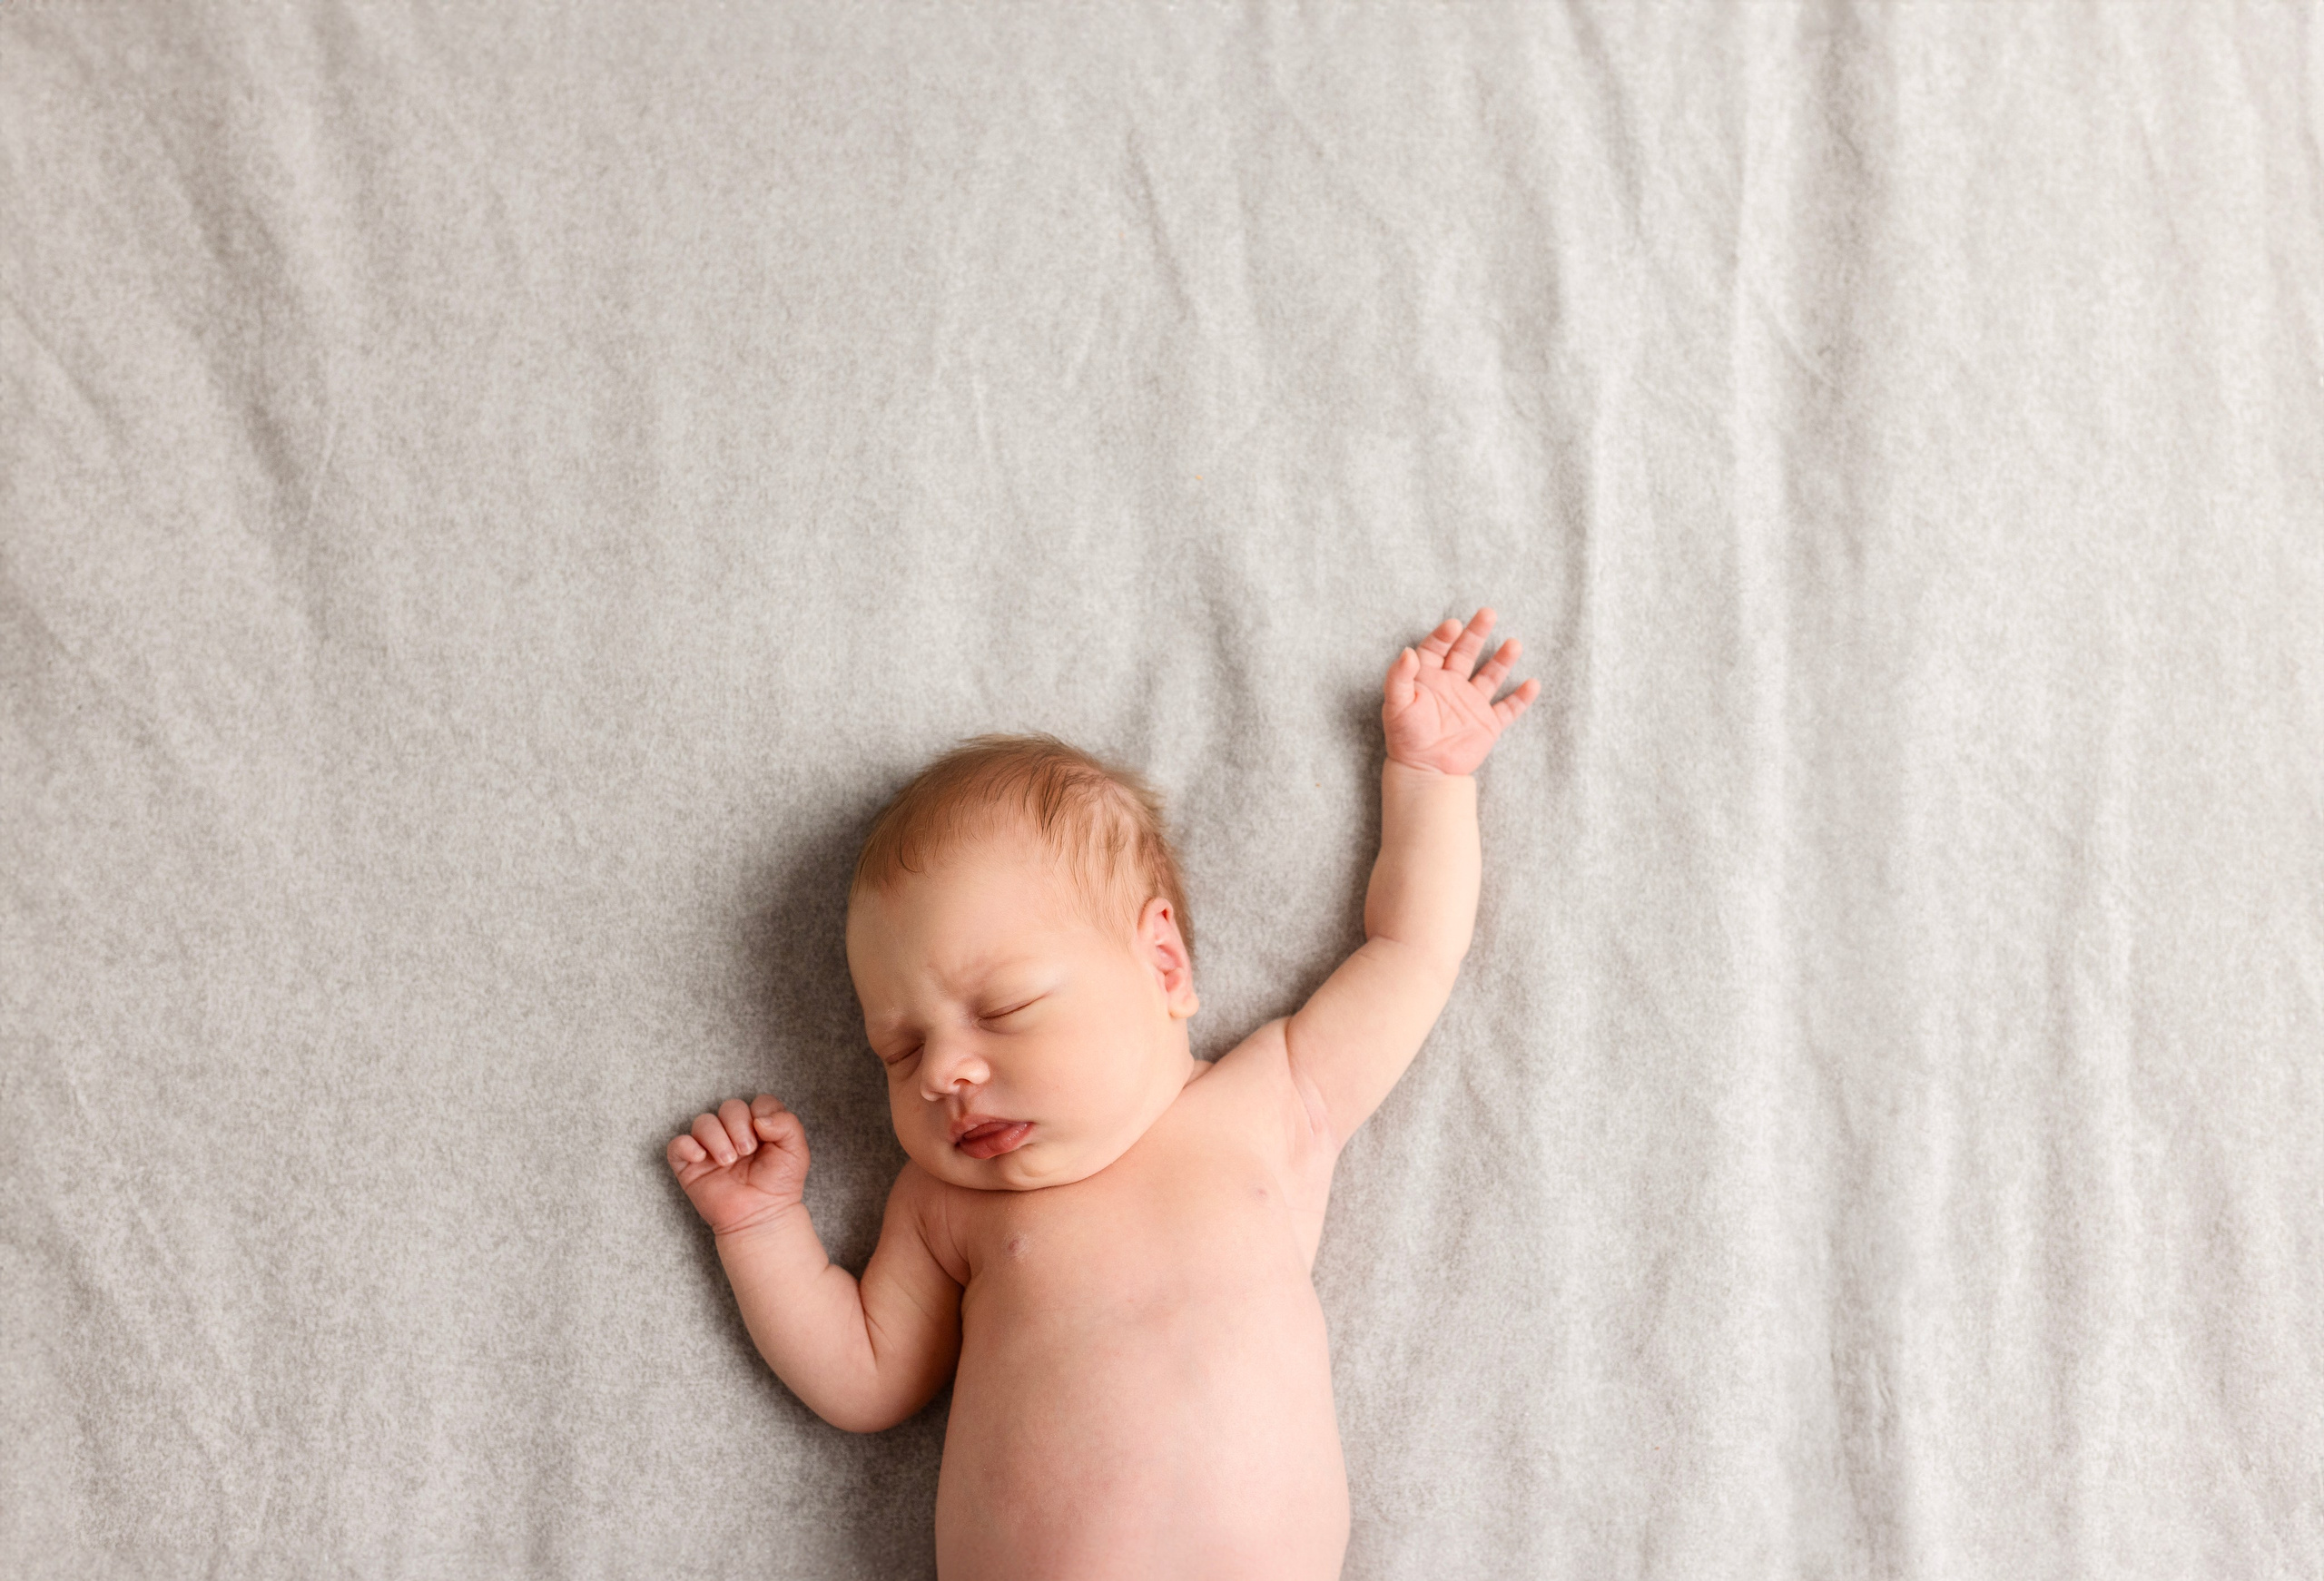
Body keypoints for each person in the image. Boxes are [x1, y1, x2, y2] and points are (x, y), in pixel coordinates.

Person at [669, 609, 1540, 1579]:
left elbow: (1410, 950)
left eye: (1002, 1007)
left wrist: (1430, 778)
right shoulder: (949, 1206)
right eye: (898, 1048)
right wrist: (760, 1229)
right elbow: (863, 1378)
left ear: (1162, 962)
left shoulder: (1274, 1098)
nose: (941, 1073)